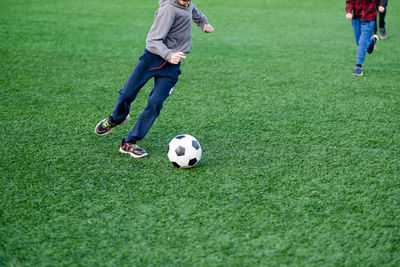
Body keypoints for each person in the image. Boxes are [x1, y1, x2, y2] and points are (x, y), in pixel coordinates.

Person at [95, 0, 214, 158]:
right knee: (127, 94)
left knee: (155, 103)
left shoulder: (187, 4)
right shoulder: (168, 10)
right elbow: (152, 41)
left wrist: (203, 23)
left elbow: (193, 11)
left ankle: (130, 142)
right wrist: (169, 54)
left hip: (172, 66)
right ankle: (116, 118)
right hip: (152, 60)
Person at [346, 0, 385, 76]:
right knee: (358, 42)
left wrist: (380, 5)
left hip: (369, 18)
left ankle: (358, 67)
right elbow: (349, 1)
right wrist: (349, 12)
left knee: (362, 43)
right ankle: (372, 42)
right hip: (356, 18)